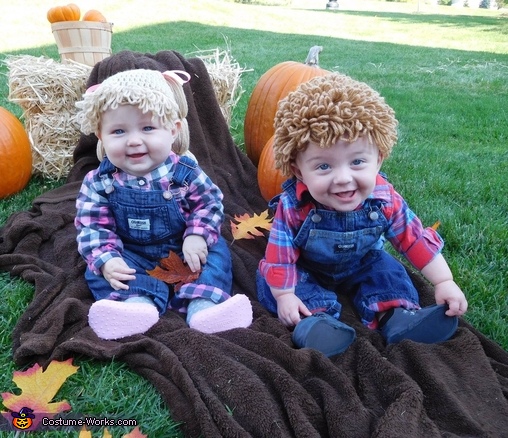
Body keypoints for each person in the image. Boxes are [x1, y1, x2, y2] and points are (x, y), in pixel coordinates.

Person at [256, 73, 468, 357]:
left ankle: (396, 317)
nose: (343, 178)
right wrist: (285, 295)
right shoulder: (294, 206)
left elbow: (413, 238)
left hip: (363, 261)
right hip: (309, 267)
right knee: (279, 285)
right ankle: (315, 323)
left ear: (378, 159)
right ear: (298, 170)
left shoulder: (384, 199)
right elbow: (281, 255)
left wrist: (444, 281)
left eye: (357, 162)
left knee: (387, 272)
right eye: (323, 167)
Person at [74, 68, 252, 340]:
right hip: (130, 253)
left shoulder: (185, 172)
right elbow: (92, 226)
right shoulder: (99, 182)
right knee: (98, 269)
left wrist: (197, 235)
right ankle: (137, 306)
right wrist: (107, 259)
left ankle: (203, 306)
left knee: (216, 253)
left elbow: (209, 203)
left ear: (173, 130)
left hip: (184, 248)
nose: (134, 140)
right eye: (118, 131)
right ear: (101, 136)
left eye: (148, 128)